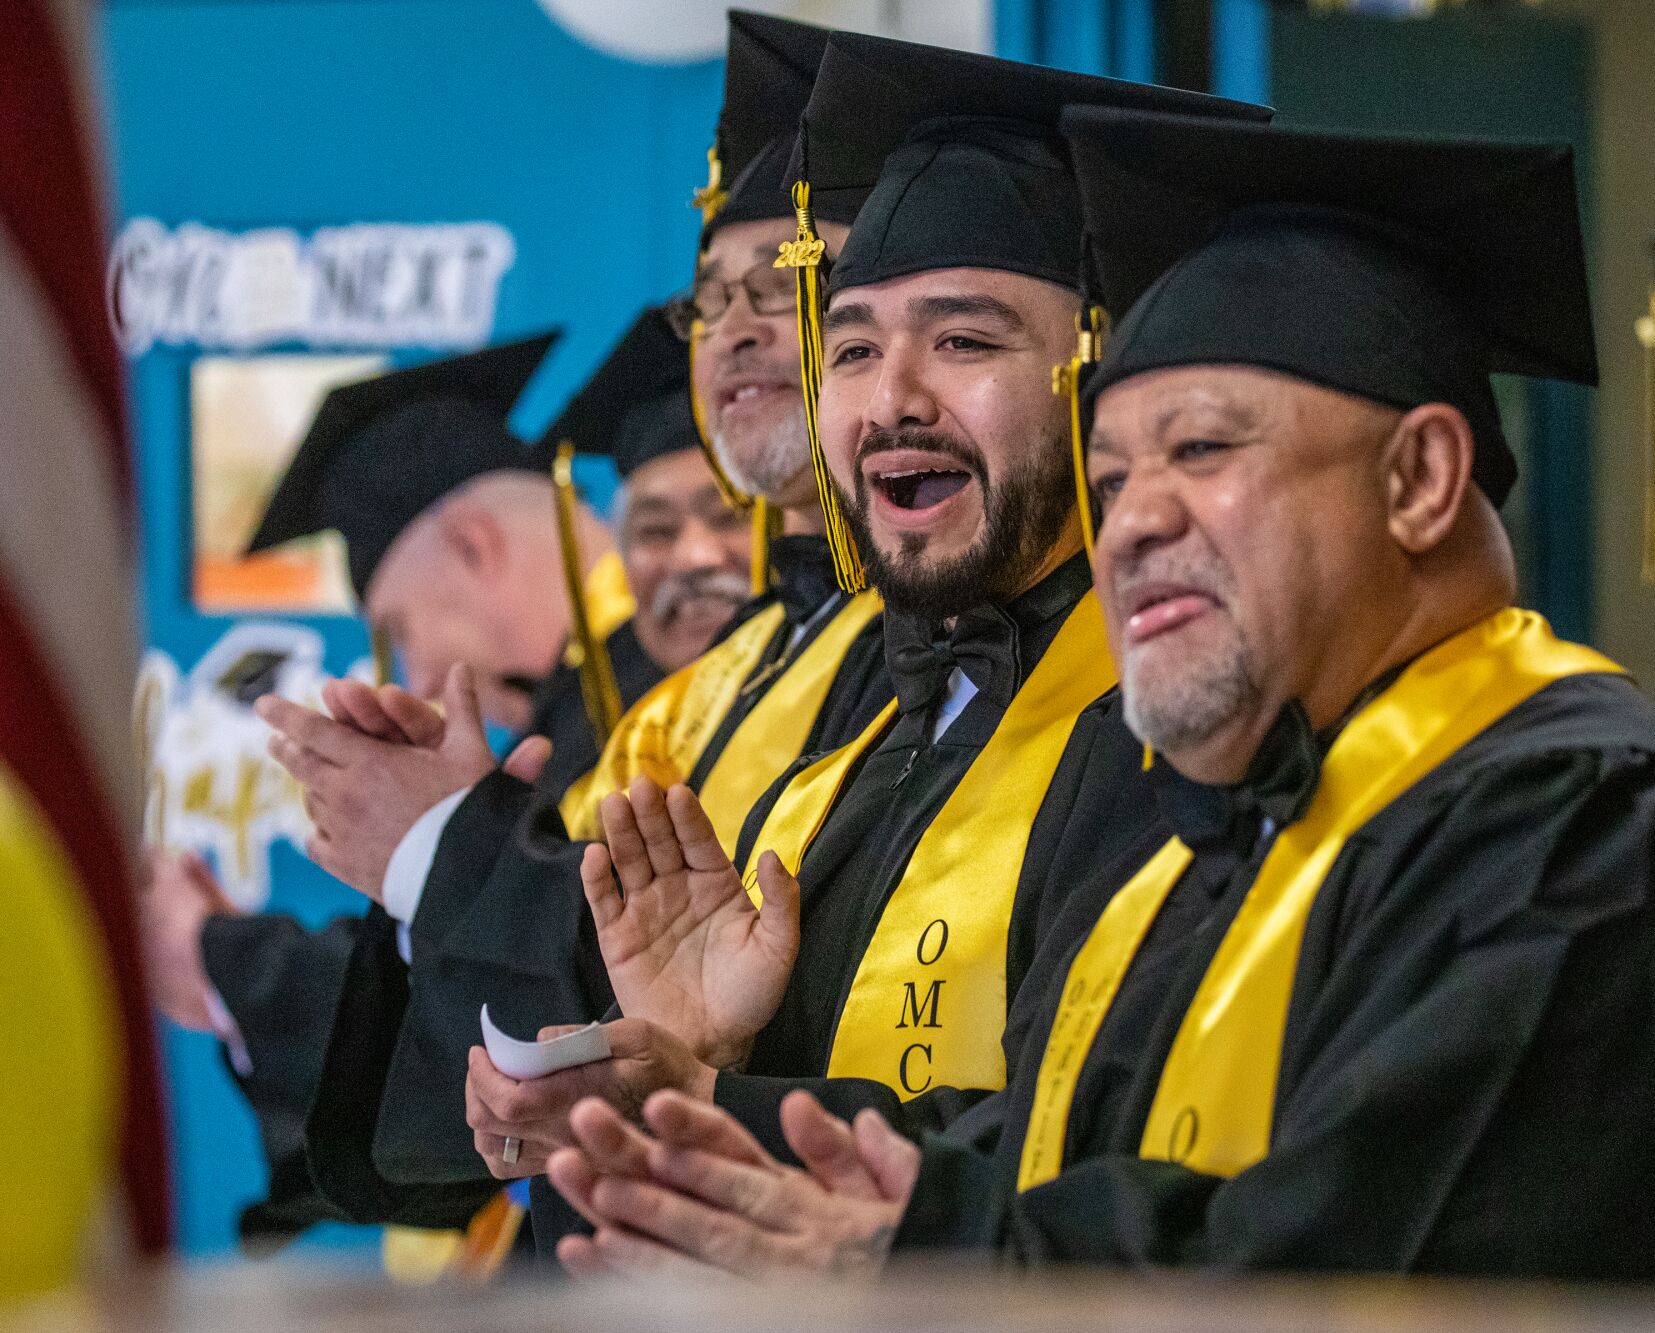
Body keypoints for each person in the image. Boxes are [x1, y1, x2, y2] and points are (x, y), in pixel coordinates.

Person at [542, 111, 1655, 1288]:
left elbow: (1375, 1264)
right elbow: (1062, 1153)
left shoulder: (1582, 832)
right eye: (1112, 477)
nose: (1133, 526)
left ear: (1417, 480)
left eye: (1202, 450)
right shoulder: (1231, 843)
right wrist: (714, 1105)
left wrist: (929, 1259)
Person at [458, 32, 1266, 1238]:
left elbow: (1094, 1153)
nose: (890, 395)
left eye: (963, 340)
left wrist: (717, 1097)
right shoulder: (858, 748)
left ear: (1098, 379)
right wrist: (641, 1056)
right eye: (847, 347)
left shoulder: (1175, 743)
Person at [241, 12, 893, 1242]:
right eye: (712, 300)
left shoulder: (975, 671)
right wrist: (514, 1061)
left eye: (790, 285)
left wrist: (448, 845)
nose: (742, 326)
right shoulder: (706, 695)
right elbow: (596, 1020)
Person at [141, 331, 666, 1242]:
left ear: (473, 546)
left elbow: (558, 988)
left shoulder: (658, 703)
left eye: (399, 630)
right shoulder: (578, 712)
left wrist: (225, 963)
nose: (414, 676)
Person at [538, 305, 756, 675]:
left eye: (730, 516)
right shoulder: (595, 720)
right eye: (656, 531)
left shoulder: (866, 693)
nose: (693, 557)